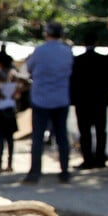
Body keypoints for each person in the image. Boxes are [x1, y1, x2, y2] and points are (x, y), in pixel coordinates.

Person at [22, 21, 74, 184]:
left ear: (47, 33)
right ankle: (65, 171)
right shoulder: (67, 52)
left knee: (38, 138)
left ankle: (35, 173)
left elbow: (28, 69)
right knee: (62, 137)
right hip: (61, 99)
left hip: (41, 99)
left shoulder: (39, 51)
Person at [70, 31, 108, 169]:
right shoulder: (103, 60)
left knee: (85, 132)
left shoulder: (78, 60)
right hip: (99, 101)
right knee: (101, 131)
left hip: (83, 102)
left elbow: (73, 81)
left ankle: (88, 160)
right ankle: (100, 159)